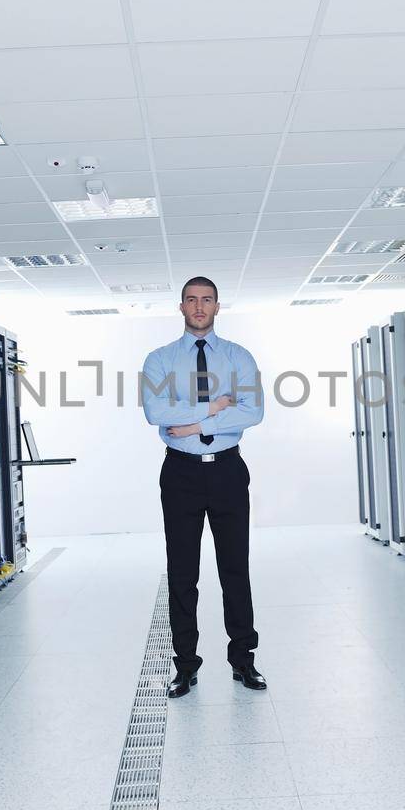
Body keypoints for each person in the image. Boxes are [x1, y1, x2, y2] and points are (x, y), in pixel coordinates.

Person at [139, 276, 266, 698]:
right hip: (180, 475)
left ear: (217, 306)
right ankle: (185, 666)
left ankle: (244, 661)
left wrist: (196, 422)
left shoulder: (238, 357)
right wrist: (213, 405)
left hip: (228, 471)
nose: (199, 307)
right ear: (181, 307)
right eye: (191, 300)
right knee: (182, 573)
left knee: (235, 568)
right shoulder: (159, 360)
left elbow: (253, 413)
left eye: (206, 300)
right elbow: (156, 412)